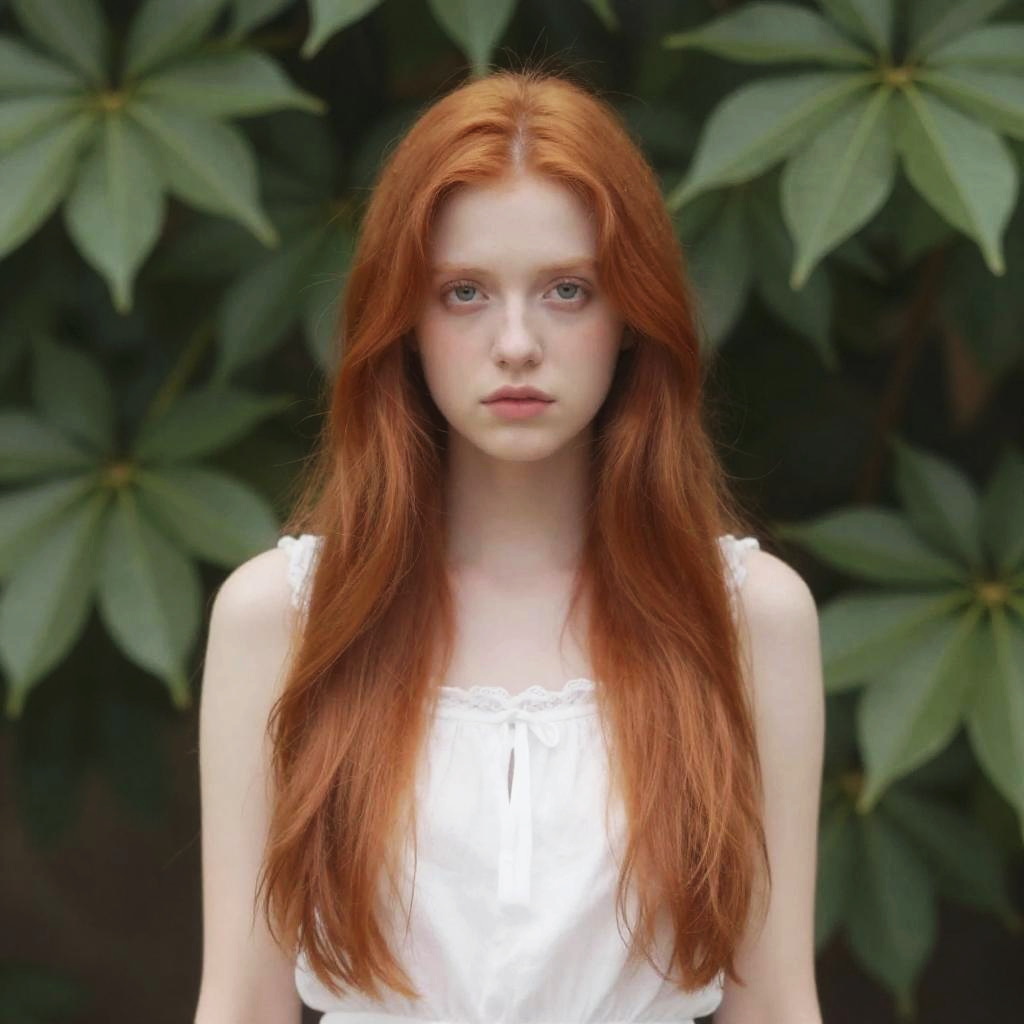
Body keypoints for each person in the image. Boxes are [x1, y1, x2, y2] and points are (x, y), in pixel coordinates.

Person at [193, 65, 825, 1024]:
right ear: (401, 318)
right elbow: (240, 1004)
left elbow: (775, 1005)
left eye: (568, 289)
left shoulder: (748, 618)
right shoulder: (281, 618)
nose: (517, 342)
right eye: (464, 293)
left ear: (632, 317)